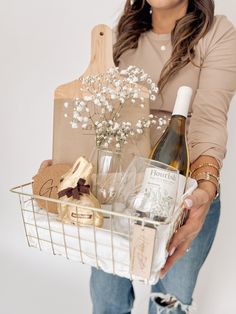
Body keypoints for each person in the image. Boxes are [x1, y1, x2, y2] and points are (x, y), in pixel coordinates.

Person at [39, 0, 236, 313]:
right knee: (106, 299)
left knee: (169, 303)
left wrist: (206, 185)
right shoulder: (123, 36)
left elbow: (210, 119)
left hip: (185, 196)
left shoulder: (216, 32)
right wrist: (66, 165)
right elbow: (100, 118)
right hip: (118, 198)